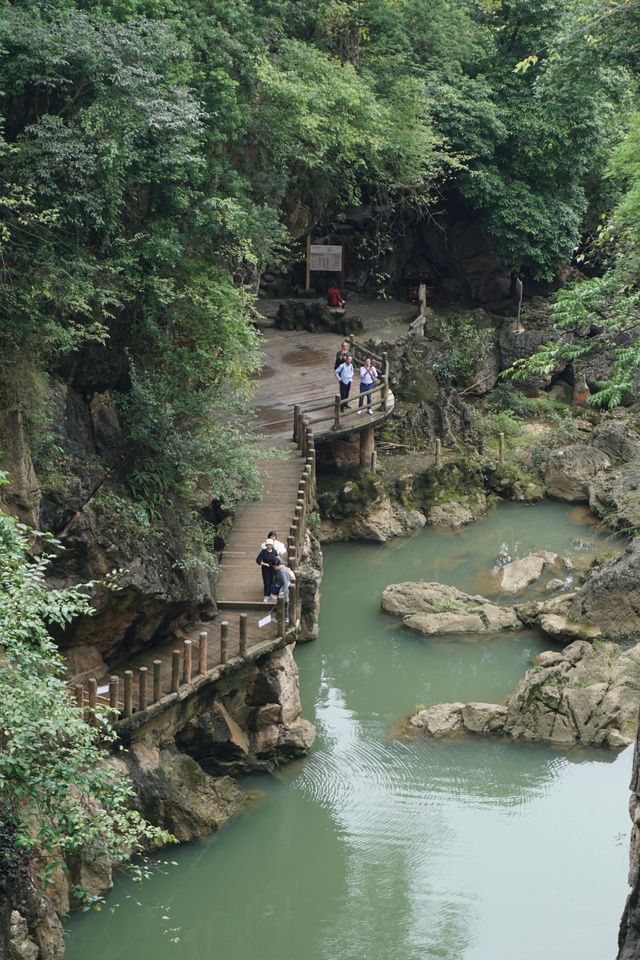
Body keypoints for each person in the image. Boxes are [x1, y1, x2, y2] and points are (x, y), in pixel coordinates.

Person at [270, 555, 295, 624]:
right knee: (285, 605)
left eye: (273, 567)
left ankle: (278, 619)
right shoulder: (283, 567)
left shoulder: (281, 572)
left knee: (281, 606)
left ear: (275, 566)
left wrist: (284, 593)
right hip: (284, 590)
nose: (273, 568)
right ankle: (286, 618)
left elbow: (285, 583)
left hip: (283, 591)